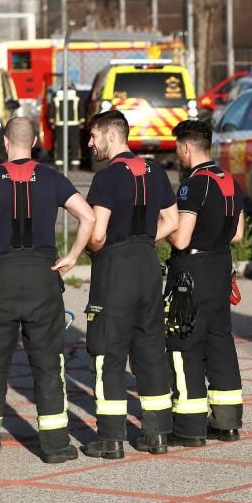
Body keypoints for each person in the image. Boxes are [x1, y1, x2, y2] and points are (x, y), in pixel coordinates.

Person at [0, 117, 95, 465]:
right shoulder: (54, 179)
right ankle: (56, 446)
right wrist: (72, 256)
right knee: (47, 363)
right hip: (44, 279)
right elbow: (87, 216)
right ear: (37, 140)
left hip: (0, 280)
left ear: (4, 141)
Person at [79, 110, 179, 459]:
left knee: (108, 348)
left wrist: (92, 250)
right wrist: (148, 240)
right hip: (148, 266)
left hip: (115, 268)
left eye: (93, 136)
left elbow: (98, 232)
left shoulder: (107, 178)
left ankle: (111, 438)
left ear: (110, 135)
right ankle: (157, 434)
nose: (90, 143)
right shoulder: (155, 170)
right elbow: (173, 220)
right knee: (150, 347)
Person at [164, 119, 246, 446]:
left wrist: (163, 224)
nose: (177, 154)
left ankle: (188, 427)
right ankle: (227, 422)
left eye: (178, 148)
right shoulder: (229, 181)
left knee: (184, 342)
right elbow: (238, 233)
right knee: (220, 341)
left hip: (191, 271)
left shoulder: (193, 185)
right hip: (220, 266)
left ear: (186, 147)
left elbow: (181, 239)